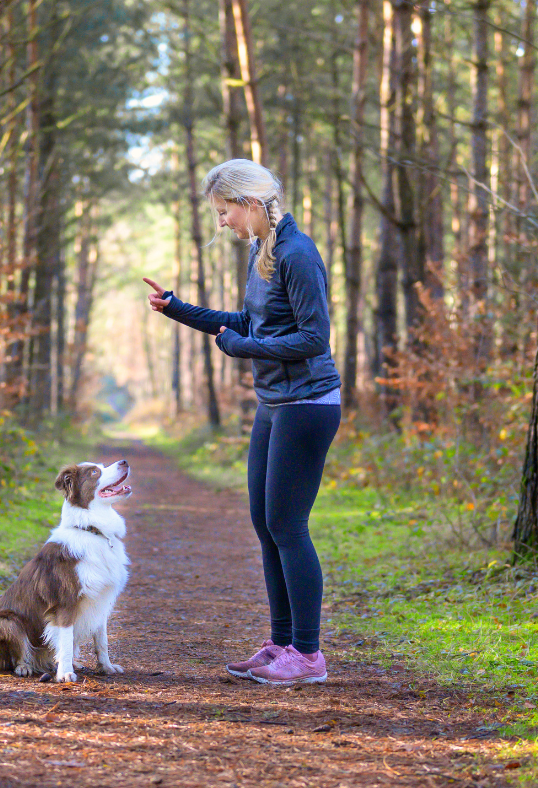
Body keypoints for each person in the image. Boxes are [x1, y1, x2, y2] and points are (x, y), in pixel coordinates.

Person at [143, 158, 341, 685]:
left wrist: (244, 348)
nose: (223, 222)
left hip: (308, 403)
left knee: (288, 527)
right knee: (265, 524)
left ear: (250, 203)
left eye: (225, 210)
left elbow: (314, 338)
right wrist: (177, 308)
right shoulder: (265, 249)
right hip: (275, 401)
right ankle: (280, 645)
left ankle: (309, 655)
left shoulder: (298, 254)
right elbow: (248, 322)